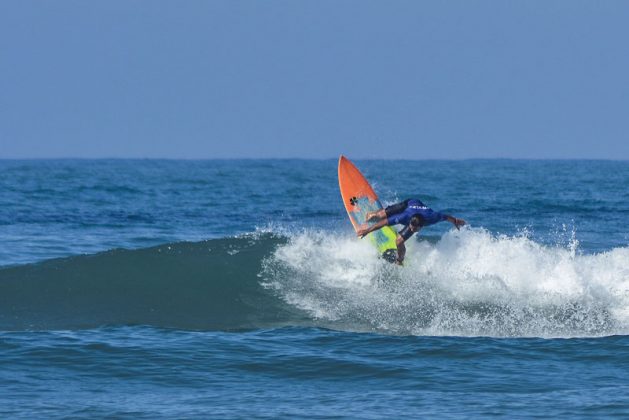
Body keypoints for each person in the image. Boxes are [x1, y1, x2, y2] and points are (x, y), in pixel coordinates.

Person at [356, 199, 466, 265]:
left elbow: (446, 217)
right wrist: (367, 231)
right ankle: (372, 213)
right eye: (411, 228)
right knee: (379, 217)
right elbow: (384, 223)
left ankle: (400, 260)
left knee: (399, 241)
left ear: (421, 226)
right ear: (410, 223)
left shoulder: (433, 217)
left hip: (419, 213)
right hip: (408, 204)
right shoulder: (404, 217)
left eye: (414, 229)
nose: (412, 230)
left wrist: (455, 221)